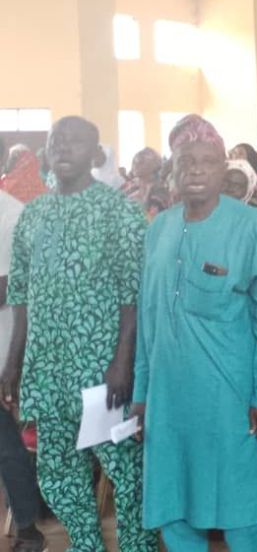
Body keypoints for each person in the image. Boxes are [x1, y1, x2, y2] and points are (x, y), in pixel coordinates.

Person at [131, 114, 257, 551]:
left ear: (224, 169)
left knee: (242, 510)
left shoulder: (250, 225)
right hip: (168, 400)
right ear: (172, 171)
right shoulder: (158, 229)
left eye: (208, 161)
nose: (196, 170)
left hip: (231, 398)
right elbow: (148, 317)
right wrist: (142, 393)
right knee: (174, 508)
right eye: (186, 161)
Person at [3, 116, 156, 552]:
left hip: (101, 370)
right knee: (58, 470)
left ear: (94, 153)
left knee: (123, 468)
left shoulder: (118, 211)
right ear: (46, 152)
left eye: (75, 141)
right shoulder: (33, 215)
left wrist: (122, 361)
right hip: (48, 368)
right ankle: (86, 543)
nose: (63, 148)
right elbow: (21, 296)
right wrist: (14, 364)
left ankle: (137, 547)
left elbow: (133, 294)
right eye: (56, 141)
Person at [0, 138, 44, 552]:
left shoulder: (11, 214)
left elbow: (11, 288)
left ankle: (29, 527)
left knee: (4, 440)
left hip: (5, 341)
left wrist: (12, 365)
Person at [121, 147, 171, 221]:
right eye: (134, 161)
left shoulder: (160, 190)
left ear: (154, 165)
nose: (135, 165)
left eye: (141, 162)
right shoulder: (127, 186)